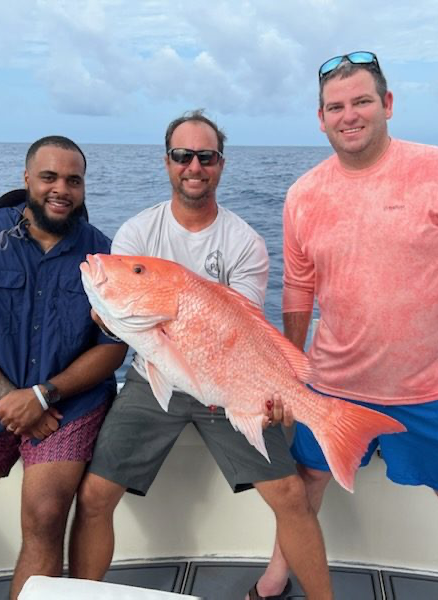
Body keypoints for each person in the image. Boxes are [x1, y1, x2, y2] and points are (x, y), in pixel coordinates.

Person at [69, 110, 334, 600]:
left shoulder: (245, 243)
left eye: (205, 156)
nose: (194, 165)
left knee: (291, 495)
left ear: (220, 164)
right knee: (93, 497)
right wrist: (108, 314)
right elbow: (116, 314)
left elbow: (246, 334)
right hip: (155, 377)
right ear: (167, 162)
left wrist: (274, 393)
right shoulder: (136, 234)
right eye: (182, 155)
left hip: (228, 382)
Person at [259, 50, 438, 595]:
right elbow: (298, 289)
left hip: (426, 384)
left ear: (386, 104)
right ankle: (275, 575)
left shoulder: (431, 169)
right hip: (333, 383)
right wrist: (288, 373)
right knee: (307, 482)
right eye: (335, 106)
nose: (349, 115)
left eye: (362, 101)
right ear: (320, 118)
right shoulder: (302, 195)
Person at [0, 136, 128, 600]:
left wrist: (43, 394)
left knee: (46, 513)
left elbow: (112, 347)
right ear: (27, 178)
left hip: (69, 401)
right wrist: (11, 395)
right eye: (49, 177)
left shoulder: (102, 255)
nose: (61, 188)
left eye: (73, 180)